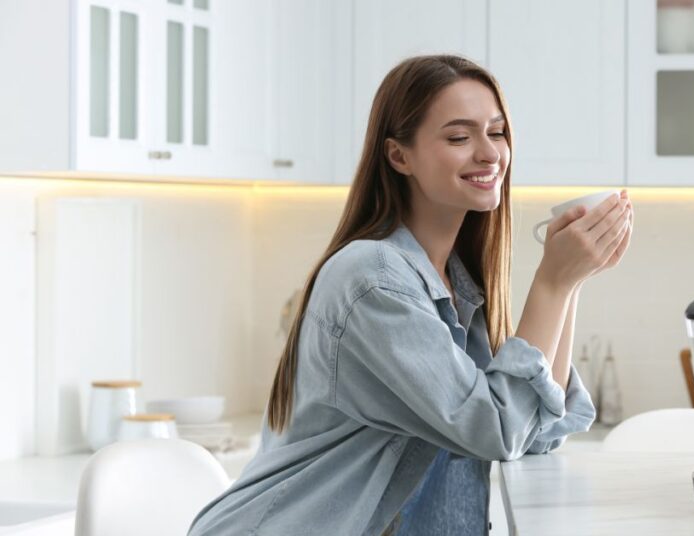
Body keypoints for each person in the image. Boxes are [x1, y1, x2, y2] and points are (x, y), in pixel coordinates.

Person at [189, 54, 633, 535]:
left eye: (498, 132)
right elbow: (496, 429)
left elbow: (536, 431)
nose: (489, 153)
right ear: (399, 156)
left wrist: (572, 281)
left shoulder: (458, 287)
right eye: (460, 137)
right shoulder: (372, 281)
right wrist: (554, 282)